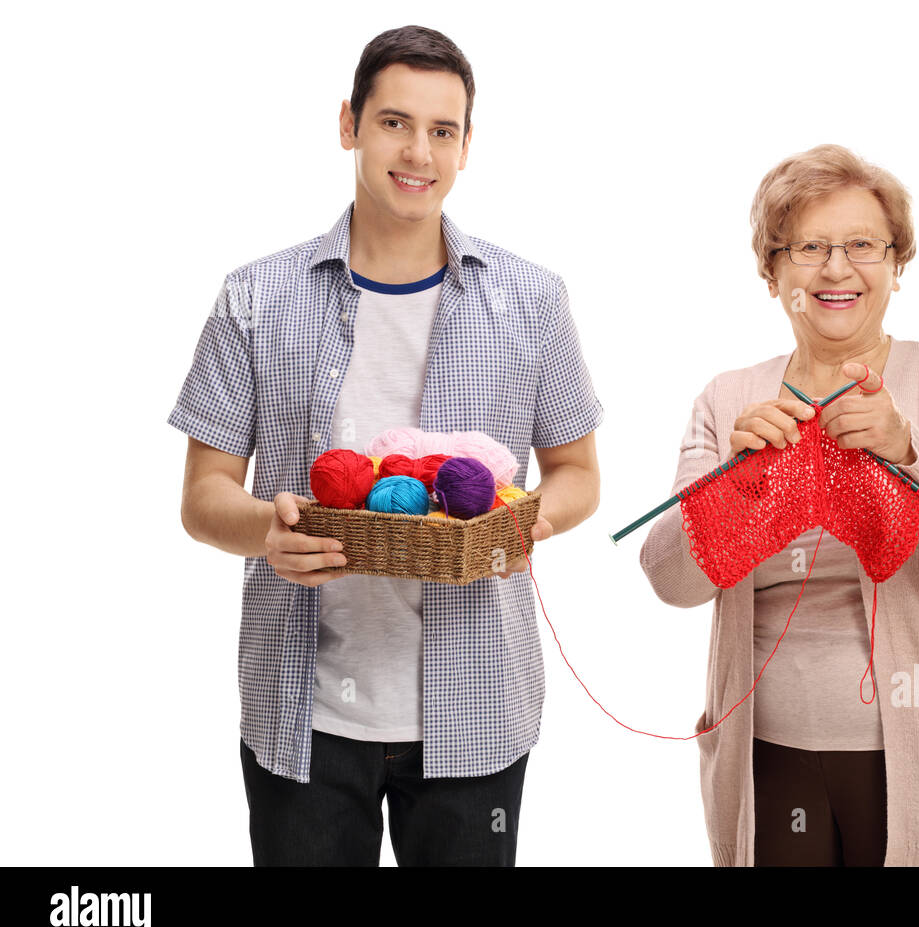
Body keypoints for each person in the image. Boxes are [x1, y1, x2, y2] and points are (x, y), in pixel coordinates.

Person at [168, 25, 603, 866]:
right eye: (395, 122)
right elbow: (202, 497)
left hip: (478, 710)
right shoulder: (255, 297)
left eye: (444, 131)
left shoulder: (531, 299)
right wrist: (268, 530)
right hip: (302, 718)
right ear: (349, 125)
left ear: (468, 146)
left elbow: (579, 473)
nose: (419, 151)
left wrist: (524, 527)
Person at [639, 144, 919, 866]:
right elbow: (672, 580)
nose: (837, 268)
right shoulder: (729, 400)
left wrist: (910, 452)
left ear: (896, 266)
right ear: (773, 272)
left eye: (863, 244)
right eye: (809, 247)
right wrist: (737, 488)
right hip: (772, 760)